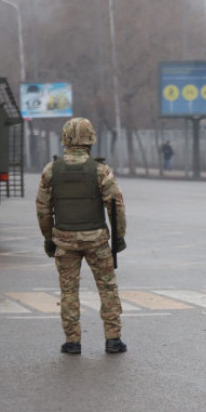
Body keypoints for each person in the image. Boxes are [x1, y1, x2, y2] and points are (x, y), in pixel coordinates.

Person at [36, 118, 128, 354]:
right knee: (107, 289)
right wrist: (118, 238)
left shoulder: (51, 171)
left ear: (65, 139)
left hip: (64, 242)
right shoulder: (100, 170)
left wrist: (48, 239)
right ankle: (113, 339)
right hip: (97, 242)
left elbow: (43, 209)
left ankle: (73, 341)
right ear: (90, 138)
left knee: (68, 291)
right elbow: (115, 207)